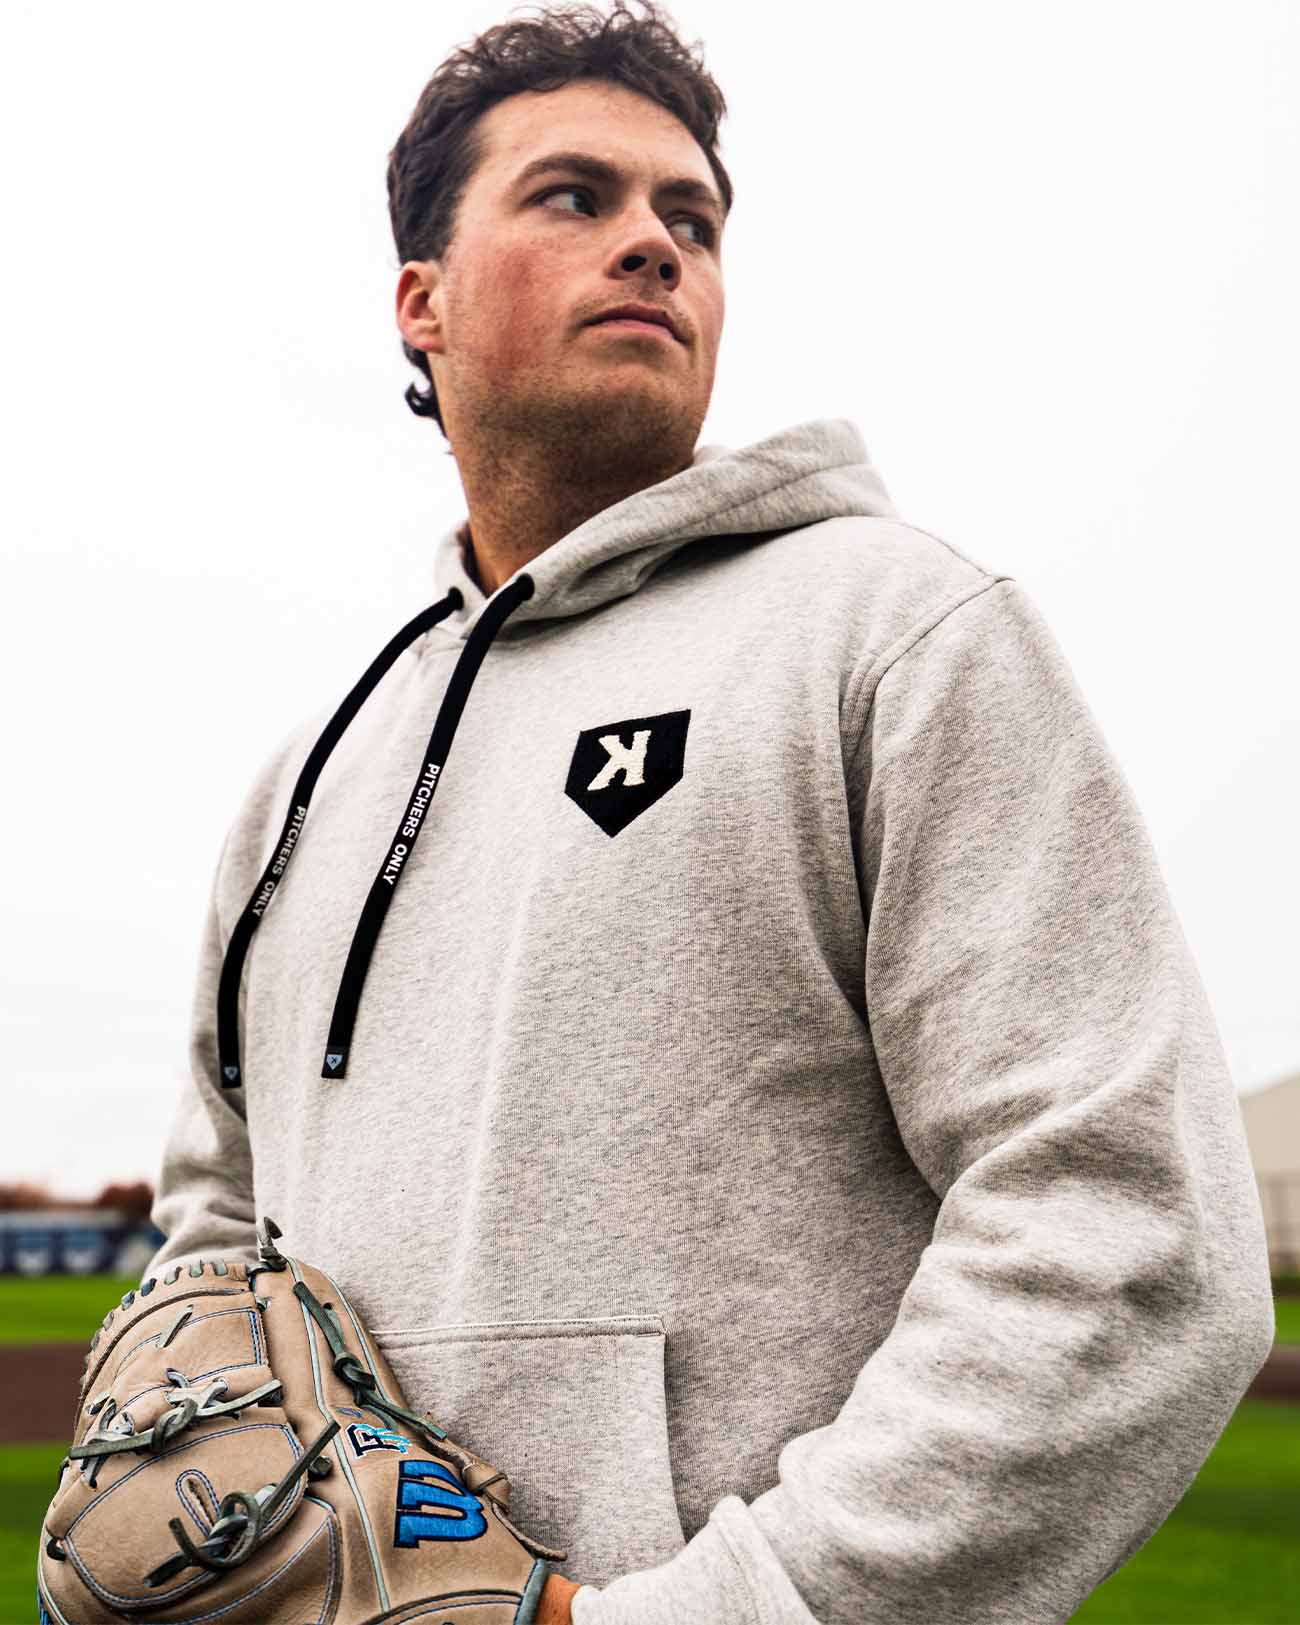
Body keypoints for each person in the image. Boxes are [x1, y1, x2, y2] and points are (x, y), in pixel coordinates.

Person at [144, 3, 1276, 1621]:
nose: (654, 244)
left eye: (692, 217)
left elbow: (1131, 1228)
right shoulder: (304, 784)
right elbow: (214, 1217)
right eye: (573, 196)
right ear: (421, 302)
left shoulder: (894, 634)